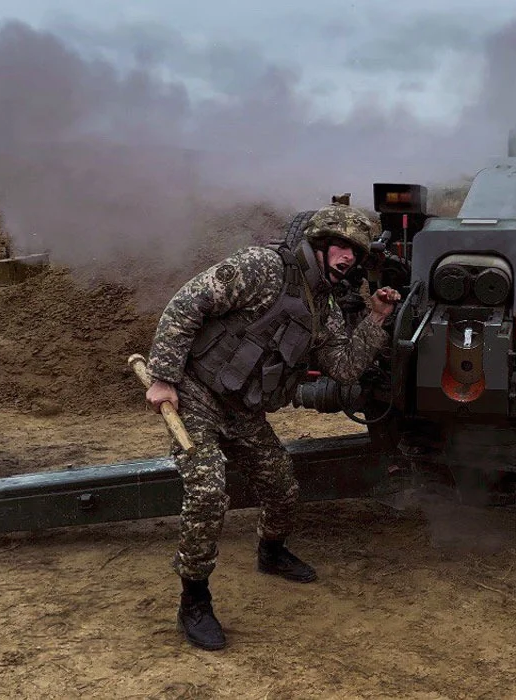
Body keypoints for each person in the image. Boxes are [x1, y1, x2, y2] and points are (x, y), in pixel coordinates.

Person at [143, 202, 401, 651]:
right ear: (319, 244)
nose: (347, 258)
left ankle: (272, 551)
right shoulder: (261, 267)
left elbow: (343, 367)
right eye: (341, 247)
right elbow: (187, 304)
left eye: (355, 253)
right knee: (207, 491)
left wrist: (376, 318)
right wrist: (164, 378)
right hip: (198, 394)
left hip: (244, 411)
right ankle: (195, 600)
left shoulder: (325, 308)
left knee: (281, 485)